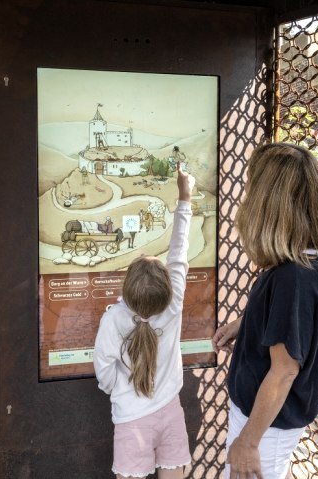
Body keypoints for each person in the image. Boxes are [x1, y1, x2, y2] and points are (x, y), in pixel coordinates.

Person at [212, 142, 318, 479]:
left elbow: (284, 370)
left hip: (265, 427)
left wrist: (248, 442)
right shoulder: (313, 258)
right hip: (267, 420)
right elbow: (294, 321)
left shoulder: (294, 277)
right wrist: (246, 324)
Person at [94, 162, 195, 479]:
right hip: (170, 413)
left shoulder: (113, 320)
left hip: (131, 420)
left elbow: (104, 374)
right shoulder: (173, 305)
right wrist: (184, 195)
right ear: (167, 288)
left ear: (126, 288)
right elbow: (179, 250)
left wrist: (123, 389)